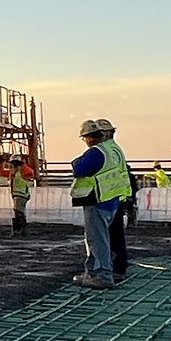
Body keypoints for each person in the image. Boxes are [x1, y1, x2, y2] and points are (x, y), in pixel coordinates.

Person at [69, 119, 130, 289]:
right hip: (111, 200)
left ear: (88, 138)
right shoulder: (112, 151)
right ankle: (92, 273)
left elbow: (78, 169)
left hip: (97, 200)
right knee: (98, 239)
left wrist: (76, 162)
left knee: (97, 240)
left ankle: (102, 275)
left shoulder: (96, 152)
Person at [95, 118, 131, 282]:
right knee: (114, 235)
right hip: (116, 196)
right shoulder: (114, 149)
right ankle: (117, 267)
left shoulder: (107, 149)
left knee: (111, 236)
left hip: (110, 198)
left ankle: (115, 268)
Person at [7, 155, 34, 235]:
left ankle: (19, 230)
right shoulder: (14, 173)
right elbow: (2, 173)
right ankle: (19, 230)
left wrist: (23, 164)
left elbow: (30, 172)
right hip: (17, 195)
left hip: (21, 195)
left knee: (19, 212)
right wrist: (0, 164)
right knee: (17, 212)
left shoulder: (23, 171)